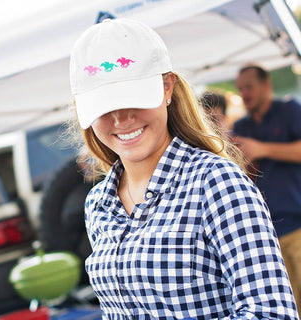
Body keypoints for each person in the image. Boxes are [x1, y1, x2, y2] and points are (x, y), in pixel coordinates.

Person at [69, 19, 298, 319]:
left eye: (133, 97)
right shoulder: (98, 203)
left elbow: (272, 313)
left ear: (167, 86)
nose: (121, 118)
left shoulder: (216, 182)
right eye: (103, 105)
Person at [232, 64, 301, 316]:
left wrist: (262, 149)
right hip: (263, 234)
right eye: (240, 89)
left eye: (249, 87)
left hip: (297, 226)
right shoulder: (241, 126)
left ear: (266, 85)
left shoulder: (290, 110)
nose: (245, 93)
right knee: (283, 306)